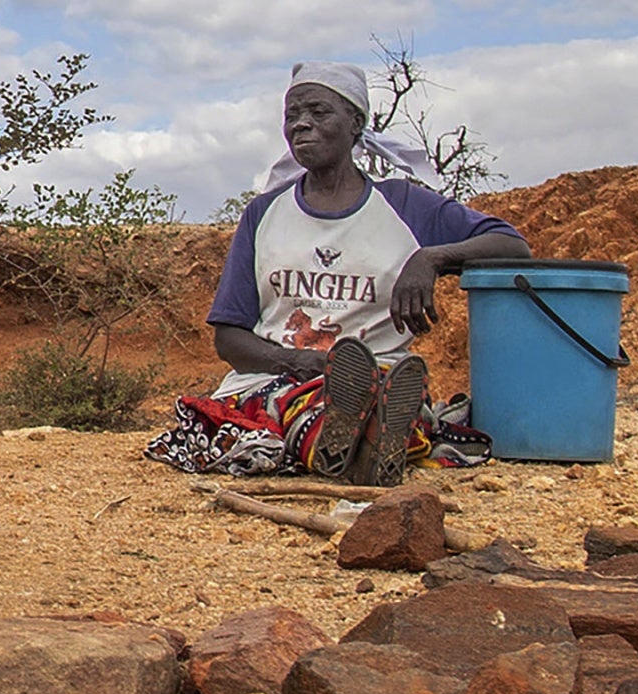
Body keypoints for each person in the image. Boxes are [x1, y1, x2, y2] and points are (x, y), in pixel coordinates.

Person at [179, 61, 529, 483]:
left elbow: (512, 245)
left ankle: (363, 438)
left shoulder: (406, 206)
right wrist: (296, 360)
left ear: (356, 123)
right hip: (282, 379)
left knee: (386, 396)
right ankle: (364, 446)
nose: (301, 125)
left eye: (318, 112)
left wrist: (430, 260)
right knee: (295, 408)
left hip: (380, 376)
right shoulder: (264, 212)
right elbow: (229, 338)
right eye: (292, 116)